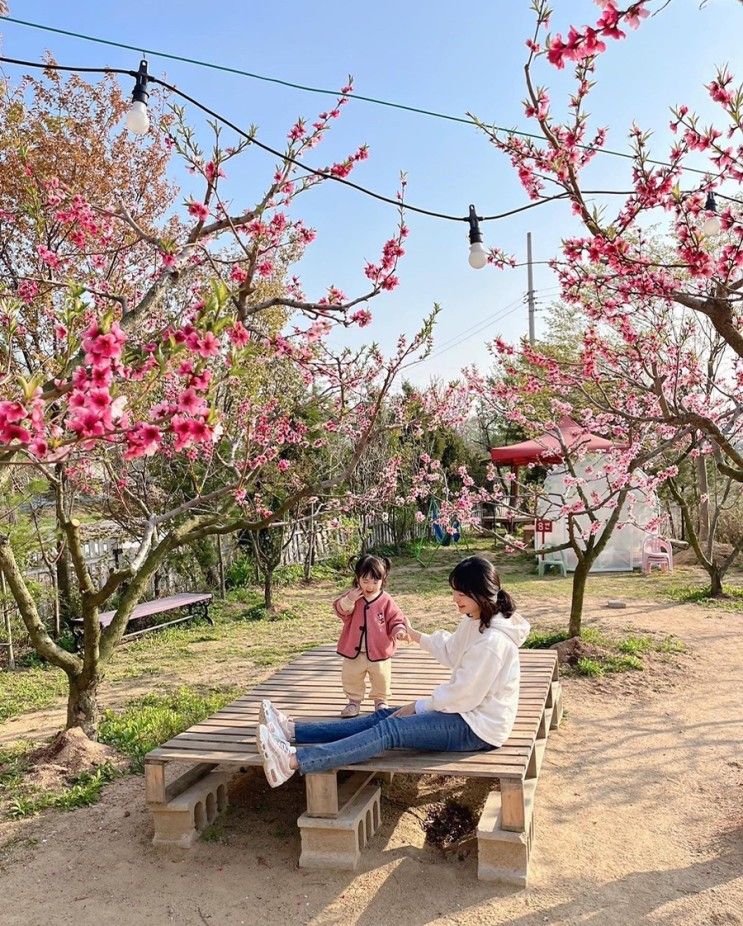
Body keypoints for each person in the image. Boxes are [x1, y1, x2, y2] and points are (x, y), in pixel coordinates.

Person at [256, 555, 530, 788]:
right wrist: (415, 635)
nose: (454, 598)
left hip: (478, 728)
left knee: (391, 729)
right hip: (466, 713)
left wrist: (419, 706)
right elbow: (451, 651)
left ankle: (292, 761)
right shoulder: (476, 620)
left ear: (479, 593)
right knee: (384, 716)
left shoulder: (493, 642)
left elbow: (462, 695)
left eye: (460, 593)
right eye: (455, 591)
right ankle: (292, 730)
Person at [332, 554, 408, 718]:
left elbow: (396, 618)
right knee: (351, 677)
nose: (370, 586)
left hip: (379, 651)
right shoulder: (354, 597)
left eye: (375, 581)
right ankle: (353, 701)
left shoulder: (386, 600)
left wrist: (399, 631)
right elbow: (341, 611)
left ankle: (380, 701)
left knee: (381, 677)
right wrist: (348, 600)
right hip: (354, 651)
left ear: (383, 579)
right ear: (357, 579)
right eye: (365, 581)